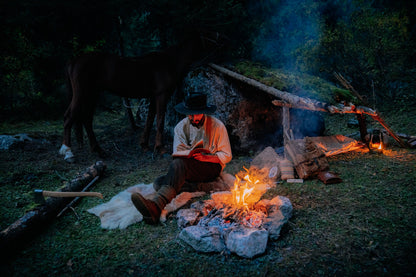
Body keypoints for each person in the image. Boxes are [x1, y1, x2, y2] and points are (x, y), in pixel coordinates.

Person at [131, 92, 232, 224]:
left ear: (203, 112)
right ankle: (203, 186)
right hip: (189, 169)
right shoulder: (180, 127)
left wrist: (206, 157)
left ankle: (156, 206)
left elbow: (227, 155)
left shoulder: (217, 126)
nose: (193, 117)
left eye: (196, 114)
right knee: (159, 183)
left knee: (177, 168)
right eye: (190, 114)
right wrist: (190, 154)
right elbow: (178, 152)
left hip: (211, 167)